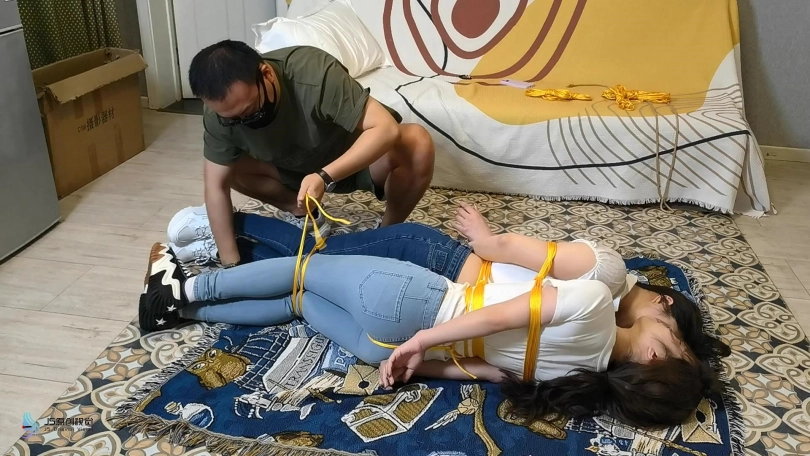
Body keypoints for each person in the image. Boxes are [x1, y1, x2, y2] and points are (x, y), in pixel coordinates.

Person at [139, 242, 721, 429]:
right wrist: (416, 361)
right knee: (297, 303)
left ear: (651, 355)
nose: (671, 328)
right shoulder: (578, 383)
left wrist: (421, 338)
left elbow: (495, 317)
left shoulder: (594, 302)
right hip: (382, 350)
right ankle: (185, 315)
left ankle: (183, 291)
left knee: (303, 269)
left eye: (674, 344)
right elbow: (484, 369)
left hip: (416, 305)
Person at [165, 204, 730, 362]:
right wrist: (487, 239)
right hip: (438, 269)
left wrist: (485, 240)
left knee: (317, 264)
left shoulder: (599, 317)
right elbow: (521, 260)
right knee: (316, 267)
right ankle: (223, 233)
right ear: (662, 304)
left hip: (436, 277)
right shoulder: (606, 280)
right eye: (671, 341)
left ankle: (225, 238)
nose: (658, 353)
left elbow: (508, 287)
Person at [188, 40, 435, 269]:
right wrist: (231, 265)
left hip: (355, 161)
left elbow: (386, 128)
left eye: (250, 110)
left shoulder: (313, 71)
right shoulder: (220, 115)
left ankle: (386, 235)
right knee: (223, 168)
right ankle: (304, 212)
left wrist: (324, 176)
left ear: (266, 74)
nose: (243, 121)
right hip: (291, 169)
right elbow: (216, 186)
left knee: (416, 143)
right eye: (232, 119)